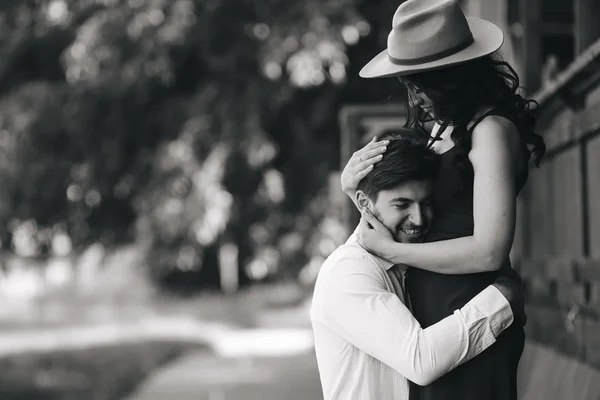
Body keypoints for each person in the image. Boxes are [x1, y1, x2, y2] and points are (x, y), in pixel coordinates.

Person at [341, 1, 546, 399]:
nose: (414, 98)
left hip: (472, 308)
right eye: (408, 85)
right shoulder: (440, 130)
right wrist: (355, 191)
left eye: (421, 85)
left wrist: (394, 253)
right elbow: (404, 212)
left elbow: (489, 250)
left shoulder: (489, 131)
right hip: (428, 323)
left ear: (452, 78)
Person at [311, 130, 524, 400]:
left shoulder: (405, 263)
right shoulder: (348, 272)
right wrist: (501, 299)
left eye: (426, 203)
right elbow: (421, 360)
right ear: (363, 203)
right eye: (402, 205)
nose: (419, 219)